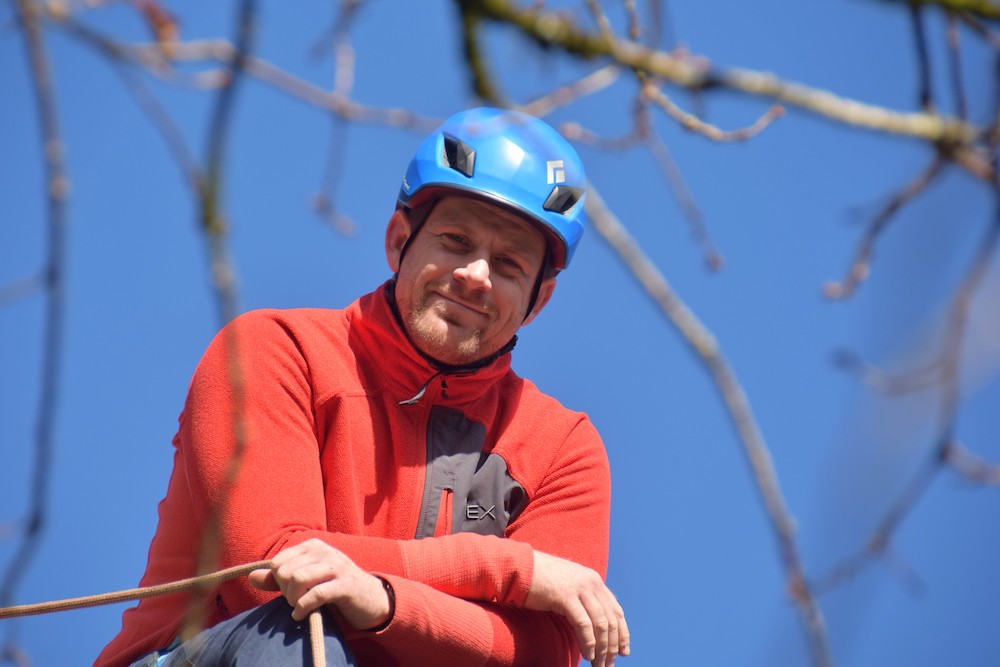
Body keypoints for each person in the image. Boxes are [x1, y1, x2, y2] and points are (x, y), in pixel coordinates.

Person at [95, 107, 630, 667]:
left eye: (509, 264)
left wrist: (383, 602)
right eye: (455, 240)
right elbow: (279, 576)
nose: (476, 274)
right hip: (223, 653)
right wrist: (511, 571)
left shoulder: (562, 449)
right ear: (400, 241)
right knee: (297, 635)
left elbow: (551, 652)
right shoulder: (277, 350)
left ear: (536, 303)